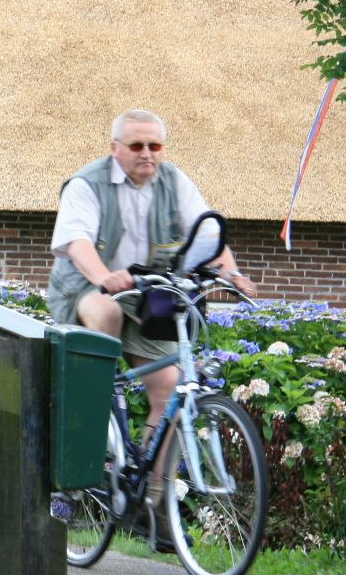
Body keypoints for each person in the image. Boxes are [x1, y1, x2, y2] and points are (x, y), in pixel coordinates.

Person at [47, 109, 256, 548]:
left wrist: (232, 274)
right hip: (88, 288)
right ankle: (95, 411)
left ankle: (152, 501)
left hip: (149, 292)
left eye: (155, 146)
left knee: (171, 389)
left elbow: (207, 236)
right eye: (137, 146)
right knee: (106, 313)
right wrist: (105, 274)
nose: (147, 154)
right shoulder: (87, 184)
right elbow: (77, 243)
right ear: (115, 148)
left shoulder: (174, 182)